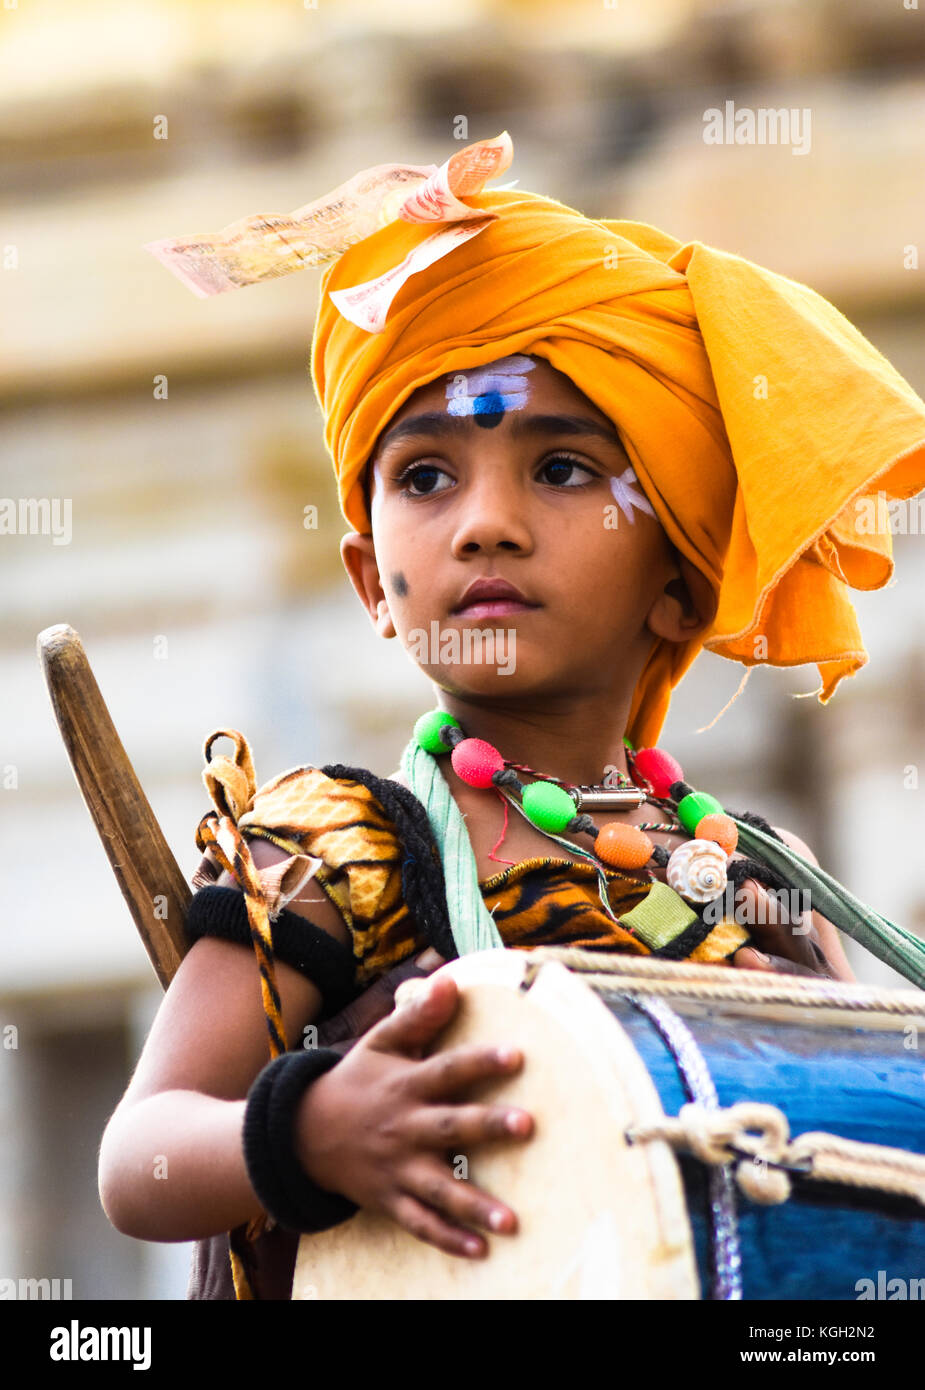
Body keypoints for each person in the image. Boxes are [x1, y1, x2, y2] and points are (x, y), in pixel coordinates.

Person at [99, 139, 925, 1300]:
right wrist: (308, 1130)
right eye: (427, 477)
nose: (485, 522)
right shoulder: (346, 849)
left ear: (680, 579)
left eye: (565, 470)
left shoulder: (750, 881)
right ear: (369, 582)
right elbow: (138, 1159)